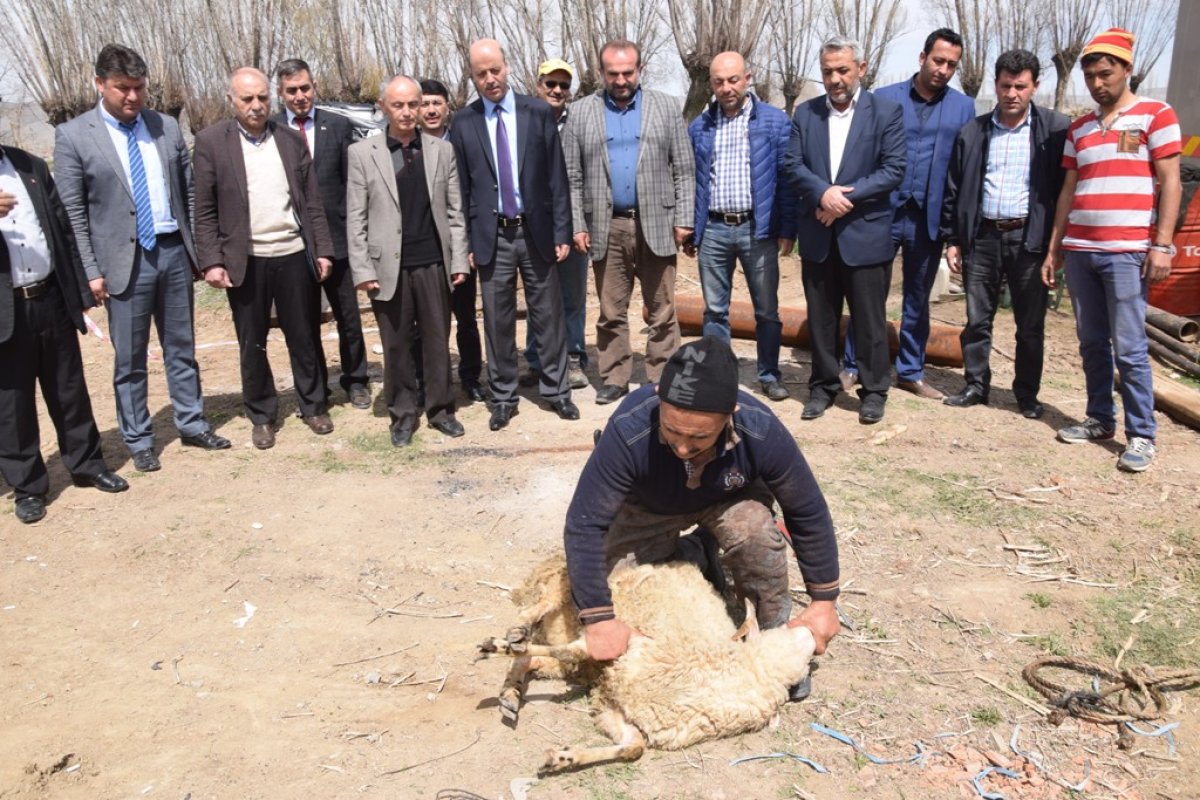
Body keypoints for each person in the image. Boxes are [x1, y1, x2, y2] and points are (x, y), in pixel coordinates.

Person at [563, 336, 840, 699]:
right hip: (650, 506)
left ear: (731, 413)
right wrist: (599, 619)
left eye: (699, 438)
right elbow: (585, 524)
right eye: (672, 430)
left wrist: (824, 601)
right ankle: (697, 552)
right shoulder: (629, 428)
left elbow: (807, 510)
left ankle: (773, 641)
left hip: (728, 498)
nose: (682, 447)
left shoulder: (759, 428)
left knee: (756, 533)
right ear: (659, 397)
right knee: (622, 584)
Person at [53, 44, 229, 473]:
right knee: (130, 359)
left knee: (181, 348)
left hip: (172, 253)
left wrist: (199, 253)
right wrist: (90, 271)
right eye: (122, 88)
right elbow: (72, 213)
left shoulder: (164, 126)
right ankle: (139, 439)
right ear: (99, 83)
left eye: (139, 88)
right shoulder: (75, 136)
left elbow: (189, 193)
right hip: (122, 264)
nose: (133, 96)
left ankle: (192, 422)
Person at [1041, 28, 1182, 473]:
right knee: (1091, 342)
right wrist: (1055, 248)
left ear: (1126, 69)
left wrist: (1163, 245)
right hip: (1081, 249)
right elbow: (1068, 190)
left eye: (1106, 74)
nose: (1097, 83)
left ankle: (1141, 434)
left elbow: (1172, 183)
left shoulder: (1156, 115)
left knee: (1130, 347)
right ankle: (1100, 418)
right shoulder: (1080, 127)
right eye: (1090, 77)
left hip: (1127, 251)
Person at [192, 67, 336, 450]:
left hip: (292, 254)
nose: (256, 105)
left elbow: (312, 202)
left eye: (262, 98)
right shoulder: (211, 142)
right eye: (247, 99)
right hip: (246, 260)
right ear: (232, 100)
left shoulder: (289, 140)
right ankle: (261, 415)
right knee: (252, 342)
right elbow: (204, 209)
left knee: (303, 336)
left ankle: (313, 406)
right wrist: (211, 261)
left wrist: (323, 250)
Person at [448, 39, 579, 431]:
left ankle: (557, 391)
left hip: (536, 231)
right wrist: (467, 243)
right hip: (492, 237)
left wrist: (562, 230)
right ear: (472, 77)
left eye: (495, 70)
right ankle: (503, 397)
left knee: (548, 315)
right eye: (481, 74)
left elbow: (556, 177)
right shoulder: (464, 122)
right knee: (497, 320)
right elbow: (462, 188)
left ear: (507, 67)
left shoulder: (537, 112)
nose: (490, 79)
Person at [841, 28, 976, 401]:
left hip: (927, 219)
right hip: (881, 212)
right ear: (922, 57)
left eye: (951, 65)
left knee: (918, 296)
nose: (943, 69)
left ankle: (910, 371)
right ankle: (853, 364)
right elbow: (863, 154)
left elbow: (961, 170)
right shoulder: (883, 98)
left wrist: (954, 231)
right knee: (868, 292)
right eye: (938, 60)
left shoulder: (963, 107)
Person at [1, 144, 129, 523]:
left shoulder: (28, 165)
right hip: (6, 310)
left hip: (50, 297)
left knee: (68, 388)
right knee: (12, 403)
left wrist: (78, 293)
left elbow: (61, 229)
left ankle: (87, 464)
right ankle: (27, 486)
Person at [563, 39, 695, 405]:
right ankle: (615, 377)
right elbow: (571, 175)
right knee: (610, 311)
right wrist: (578, 224)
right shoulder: (580, 113)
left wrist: (684, 218)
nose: (621, 80)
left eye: (627, 72)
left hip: (658, 222)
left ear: (640, 70)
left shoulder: (666, 107)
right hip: (607, 226)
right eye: (613, 73)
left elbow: (684, 169)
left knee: (663, 310)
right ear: (601, 73)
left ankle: (663, 378)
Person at [782, 37, 906, 424]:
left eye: (842, 70)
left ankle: (874, 390)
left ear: (861, 69)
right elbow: (792, 165)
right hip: (819, 235)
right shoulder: (806, 113)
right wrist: (822, 194)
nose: (835, 79)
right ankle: (822, 386)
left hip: (865, 234)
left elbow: (893, 169)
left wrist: (841, 199)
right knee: (821, 319)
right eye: (827, 72)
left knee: (869, 320)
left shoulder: (885, 112)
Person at [941, 50, 1069, 418]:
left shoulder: (1055, 131)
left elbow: (1066, 189)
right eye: (1005, 86)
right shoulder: (972, 132)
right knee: (977, 319)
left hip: (1029, 239)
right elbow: (954, 189)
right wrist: (953, 239)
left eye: (1020, 86)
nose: (1012, 94)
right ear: (995, 85)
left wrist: (1055, 245)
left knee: (1030, 325)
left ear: (1035, 86)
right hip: (982, 238)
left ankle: (1026, 394)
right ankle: (975, 385)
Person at [347, 76, 469, 447]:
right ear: (383, 107)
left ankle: (441, 411)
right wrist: (362, 269)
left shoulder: (441, 150)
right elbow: (356, 217)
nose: (406, 112)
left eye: (412, 104)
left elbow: (455, 212)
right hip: (388, 269)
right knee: (396, 346)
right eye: (397, 105)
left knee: (437, 342)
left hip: (433, 263)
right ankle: (402, 415)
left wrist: (458, 261)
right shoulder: (362, 154)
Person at [688, 51, 796, 402]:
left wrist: (787, 229)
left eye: (733, 80)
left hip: (757, 229)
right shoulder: (700, 126)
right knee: (714, 310)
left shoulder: (775, 122)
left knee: (766, 310)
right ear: (712, 84)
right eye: (719, 82)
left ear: (747, 78)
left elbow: (787, 178)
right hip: (714, 229)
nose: (726, 88)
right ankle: (718, 377)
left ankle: (769, 374)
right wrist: (691, 228)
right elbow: (692, 180)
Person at [272, 58, 371, 411]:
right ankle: (315, 388)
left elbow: (352, 184)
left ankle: (356, 380)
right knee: (303, 321)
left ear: (314, 87)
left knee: (349, 317)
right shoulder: (271, 129)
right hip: (294, 243)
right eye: (292, 90)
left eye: (305, 88)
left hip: (338, 238)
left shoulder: (338, 125)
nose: (300, 96)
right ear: (280, 93)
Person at [520, 58, 590, 391]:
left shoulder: (579, 123)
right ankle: (537, 360)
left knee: (572, 296)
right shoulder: (524, 120)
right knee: (538, 296)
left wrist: (580, 223)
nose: (557, 90)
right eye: (551, 83)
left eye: (564, 85)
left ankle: (574, 358)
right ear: (538, 86)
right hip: (534, 226)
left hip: (573, 222)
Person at [419, 77, 486, 402]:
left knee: (466, 317)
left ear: (447, 107)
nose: (431, 110)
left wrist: (470, 244)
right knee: (425, 321)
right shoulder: (409, 146)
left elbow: (473, 194)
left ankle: (470, 376)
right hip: (424, 248)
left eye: (437, 103)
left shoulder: (462, 142)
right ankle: (428, 380)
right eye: (425, 104)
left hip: (460, 246)